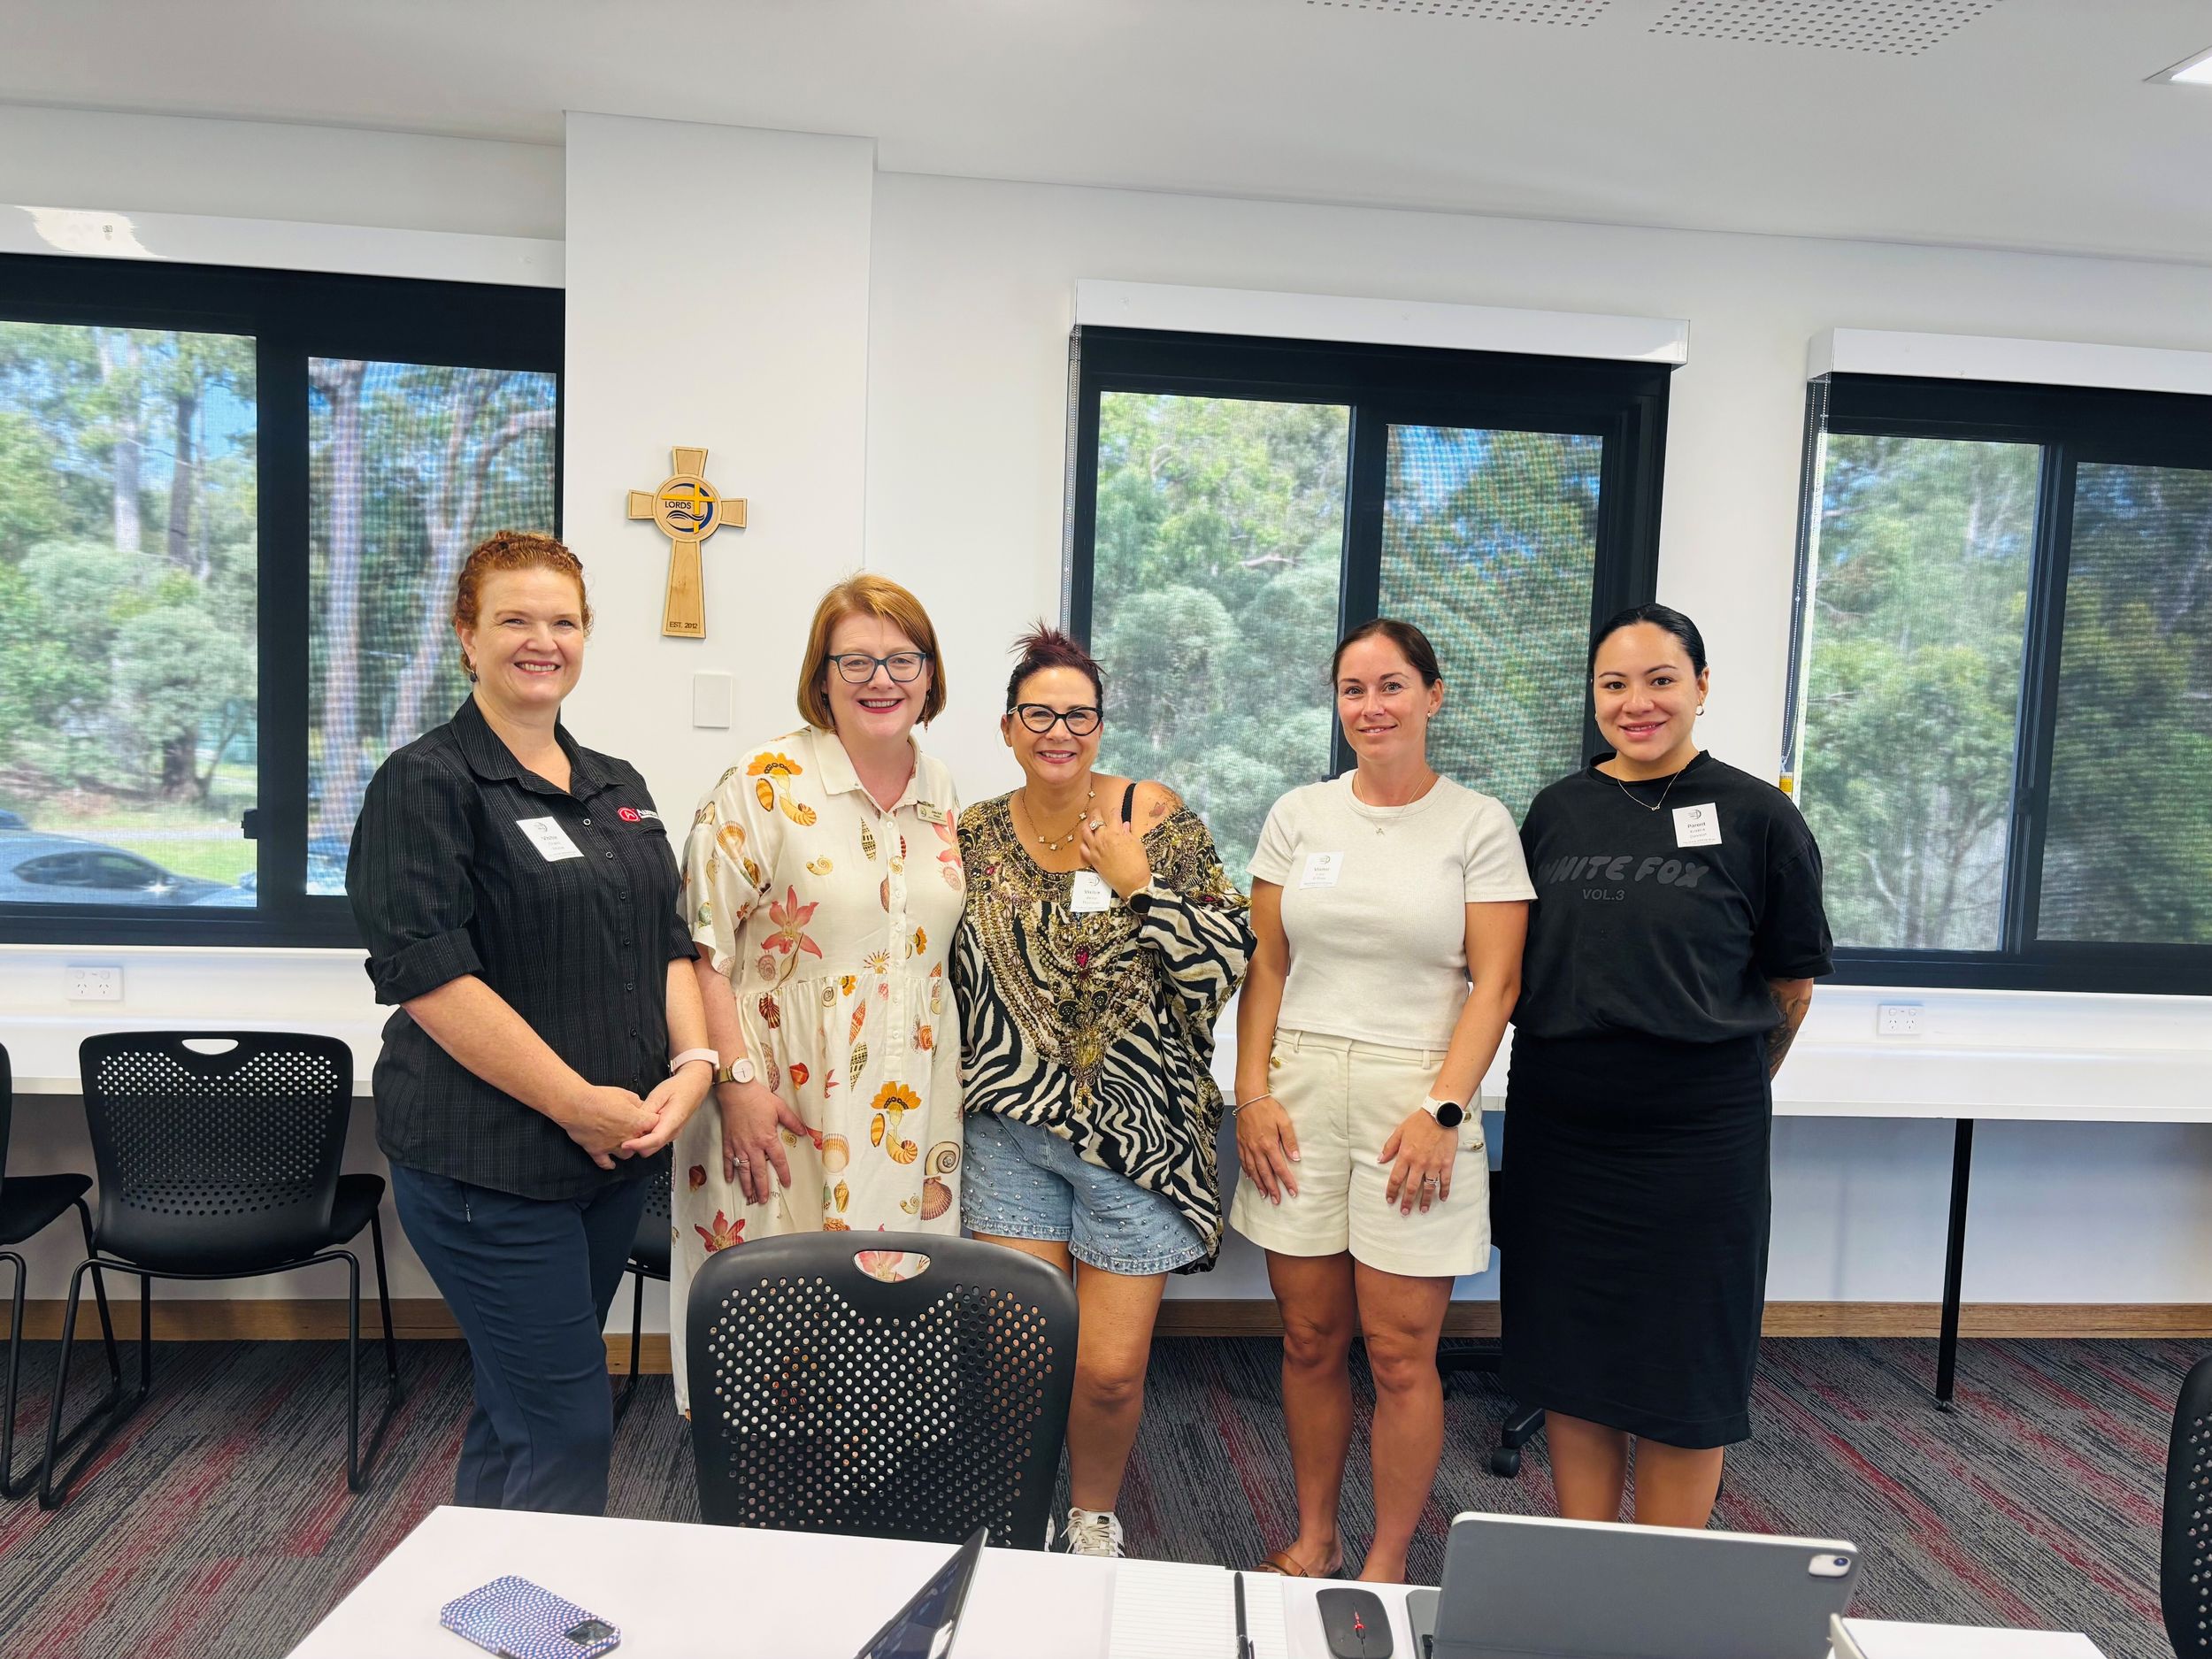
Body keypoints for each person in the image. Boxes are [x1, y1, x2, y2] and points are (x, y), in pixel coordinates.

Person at [349, 530, 712, 1516]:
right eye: (514, 619)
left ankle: (481, 1586)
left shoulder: (616, 784)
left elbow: (666, 940)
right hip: (488, 1168)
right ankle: (539, 1603)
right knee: (567, 1425)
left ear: (586, 635)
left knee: (517, 1406)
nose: (541, 640)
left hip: (603, 1162)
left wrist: (694, 1062)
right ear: (467, 636)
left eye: (563, 621)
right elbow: (429, 978)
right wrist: (575, 1103)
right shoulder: (426, 782)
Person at [1502, 603, 1830, 1529]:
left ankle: (1663, 1578)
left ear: (1701, 686)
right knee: (1572, 1357)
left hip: (1700, 1134)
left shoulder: (1759, 816)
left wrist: (1719, 1091)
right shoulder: (1557, 812)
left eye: (1660, 680)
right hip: (1562, 1127)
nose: (1636, 702)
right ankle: (1587, 1562)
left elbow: (1791, 983)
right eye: (1614, 684)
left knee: (1687, 1361)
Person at [1230, 618, 1532, 1585]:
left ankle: (1387, 1559)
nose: (1371, 707)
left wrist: (1446, 1110)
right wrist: (1249, 1093)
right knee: (1310, 1337)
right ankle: (1315, 1536)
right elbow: (1267, 966)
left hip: (1417, 1101)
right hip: (1301, 1092)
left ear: (1433, 695)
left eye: (1392, 685)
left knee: (1401, 1354)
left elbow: (1496, 984)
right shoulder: (1299, 815)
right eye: (1353, 689)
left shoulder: (1477, 824)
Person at [955, 625, 1253, 1558]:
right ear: (1008, 727)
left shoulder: (1153, 819)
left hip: (1139, 1135)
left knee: (1111, 1370)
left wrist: (1139, 888)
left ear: (1100, 724)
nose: (1059, 731)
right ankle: (1017, 1516)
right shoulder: (969, 834)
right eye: (1038, 714)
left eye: (1078, 715)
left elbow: (1223, 964)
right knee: (1016, 1357)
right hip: (1011, 1128)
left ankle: (1090, 1515)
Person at [671, 574, 965, 1416]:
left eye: (903, 658)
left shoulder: (941, 789)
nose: (882, 679)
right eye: (856, 660)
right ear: (822, 675)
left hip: (909, 1100)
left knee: (891, 1304)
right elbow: (700, 947)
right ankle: (764, 1477)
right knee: (777, 1318)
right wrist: (736, 1083)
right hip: (776, 1096)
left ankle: (869, 1465)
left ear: (930, 674)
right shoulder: (764, 780)